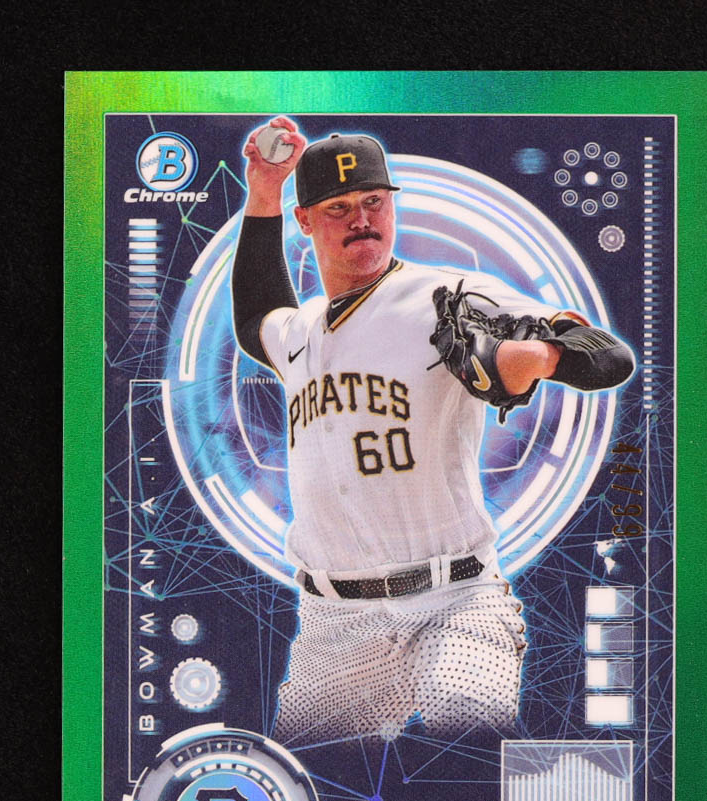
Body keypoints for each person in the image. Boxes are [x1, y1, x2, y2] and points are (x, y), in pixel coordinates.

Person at [232, 116, 635, 745]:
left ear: (392, 205)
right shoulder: (299, 330)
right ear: (304, 220)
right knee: (311, 784)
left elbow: (608, 355)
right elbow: (257, 314)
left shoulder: (448, 295)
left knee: (467, 759)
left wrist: (538, 357)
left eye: (374, 201)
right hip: (333, 624)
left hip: (455, 603)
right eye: (339, 208)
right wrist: (263, 194)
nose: (362, 219)